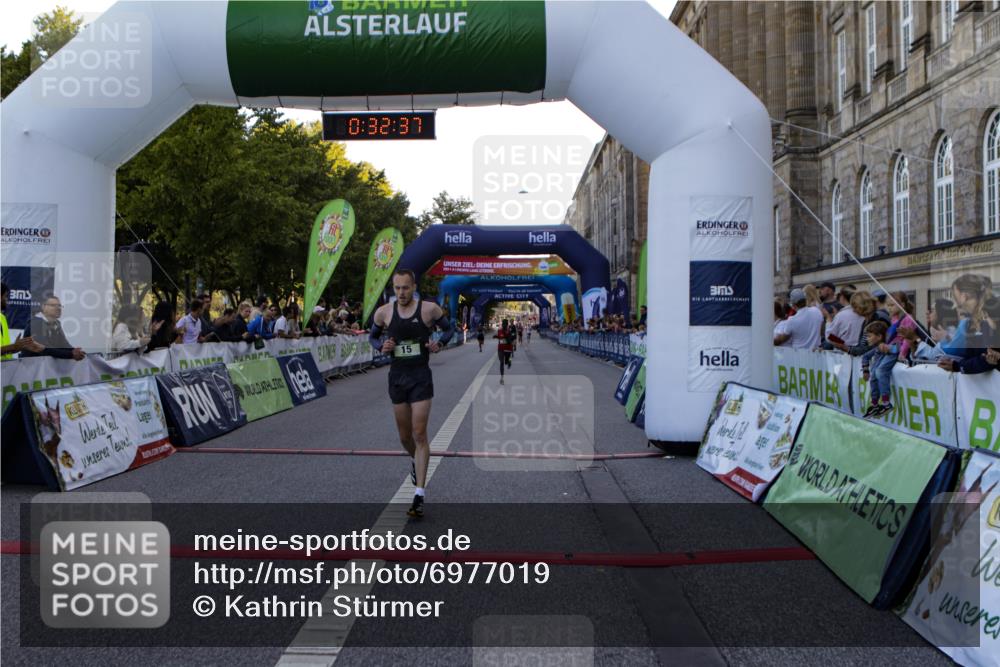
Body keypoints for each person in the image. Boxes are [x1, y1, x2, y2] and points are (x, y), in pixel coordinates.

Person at [368, 269, 454, 519]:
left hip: (420, 377)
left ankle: (419, 494)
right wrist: (381, 346)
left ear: (413, 286)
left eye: (405, 288)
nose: (401, 293)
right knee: (405, 437)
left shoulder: (429, 310)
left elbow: (448, 330)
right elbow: (373, 338)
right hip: (397, 378)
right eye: (397, 288)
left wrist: (440, 343)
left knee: (419, 433)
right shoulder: (383, 313)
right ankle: (416, 462)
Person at [21, 294, 86, 360]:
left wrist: (76, 351)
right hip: (32, 366)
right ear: (43, 307)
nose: (58, 308)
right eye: (53, 305)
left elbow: (63, 344)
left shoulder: (57, 323)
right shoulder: (36, 323)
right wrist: (71, 354)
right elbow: (45, 349)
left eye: (59, 306)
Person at [1, 282, 44, 358]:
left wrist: (18, 347)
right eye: (5, 296)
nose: (7, 299)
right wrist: (13, 347)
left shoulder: (2, 318)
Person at [860, 321, 892, 418]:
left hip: (880, 373)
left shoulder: (885, 347)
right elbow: (865, 356)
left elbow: (895, 352)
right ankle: (874, 405)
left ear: (879, 337)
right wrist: (866, 370)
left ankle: (886, 403)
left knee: (879, 380)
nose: (867, 339)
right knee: (873, 383)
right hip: (874, 373)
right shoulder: (876, 348)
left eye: (869, 336)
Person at [494, 318, 515, 384]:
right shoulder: (499, 331)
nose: (504, 326)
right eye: (503, 324)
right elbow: (500, 337)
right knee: (502, 362)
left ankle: (509, 361)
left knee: (507, 361)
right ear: (502, 324)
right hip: (500, 349)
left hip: (508, 349)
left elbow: (511, 338)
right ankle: (502, 378)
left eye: (505, 325)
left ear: (507, 325)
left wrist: (508, 337)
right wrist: (496, 337)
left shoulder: (509, 331)